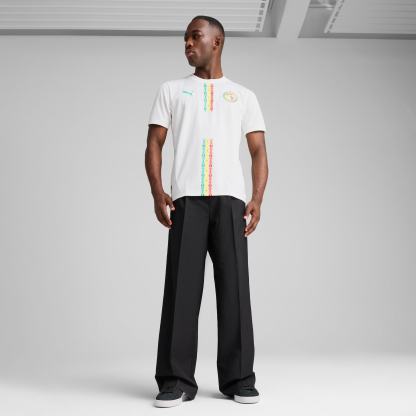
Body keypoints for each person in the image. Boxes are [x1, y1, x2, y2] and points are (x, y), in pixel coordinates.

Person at [145, 15, 268, 408]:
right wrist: (157, 191)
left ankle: (239, 379)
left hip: (231, 201)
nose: (187, 44)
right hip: (187, 201)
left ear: (217, 41)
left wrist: (257, 197)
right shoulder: (171, 90)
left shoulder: (243, 96)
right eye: (185, 38)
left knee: (235, 290)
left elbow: (258, 150)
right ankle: (175, 381)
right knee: (181, 291)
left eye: (195, 37)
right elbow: (154, 142)